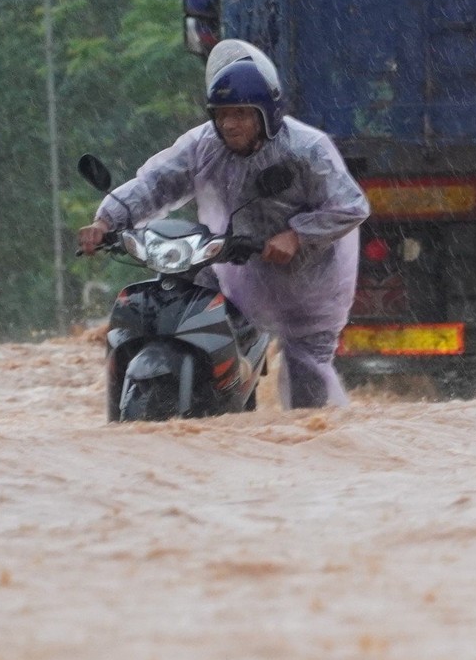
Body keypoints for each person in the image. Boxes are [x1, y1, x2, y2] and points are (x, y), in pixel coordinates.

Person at [78, 41, 370, 408]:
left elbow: (349, 205)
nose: (229, 124)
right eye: (221, 114)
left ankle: (315, 450)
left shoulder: (307, 150)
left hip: (309, 281)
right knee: (185, 301)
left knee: (306, 379)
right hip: (236, 263)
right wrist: (106, 220)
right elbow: (156, 183)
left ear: (265, 115)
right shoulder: (204, 145)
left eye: (240, 114)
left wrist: (297, 235)